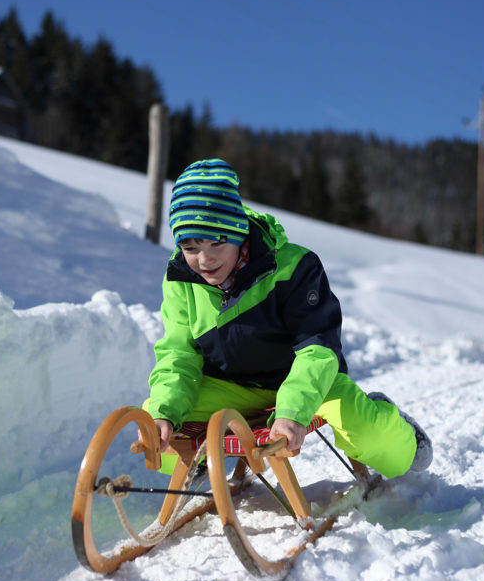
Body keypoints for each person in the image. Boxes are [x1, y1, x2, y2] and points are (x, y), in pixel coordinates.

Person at [142, 158, 431, 477]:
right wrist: (164, 413)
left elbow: (318, 349)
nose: (205, 258)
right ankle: (194, 469)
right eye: (190, 246)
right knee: (156, 419)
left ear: (238, 232)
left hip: (305, 383)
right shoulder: (180, 280)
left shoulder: (295, 267)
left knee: (369, 431)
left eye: (217, 242)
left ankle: (409, 444)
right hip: (234, 387)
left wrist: (292, 410)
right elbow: (179, 354)